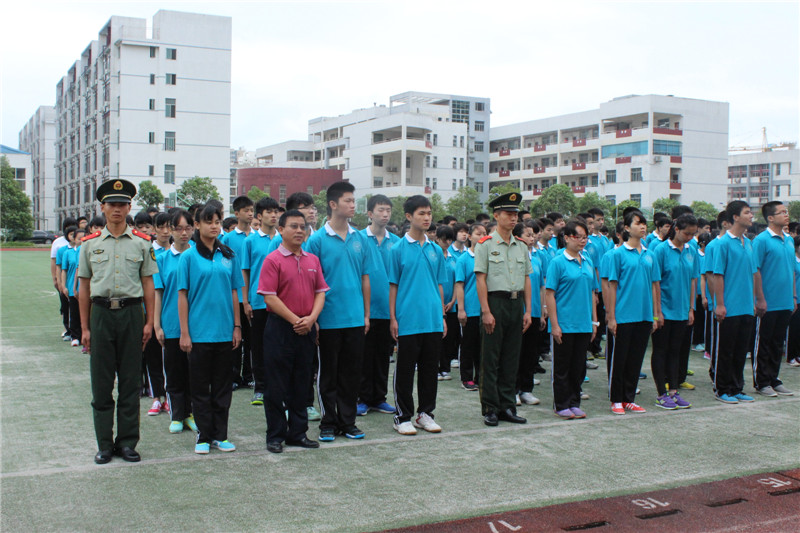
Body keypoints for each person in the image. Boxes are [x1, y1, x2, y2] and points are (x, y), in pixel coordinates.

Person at [77, 179, 157, 464]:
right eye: (112, 204)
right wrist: (84, 328)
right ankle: (104, 444)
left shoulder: (142, 243)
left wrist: (149, 322)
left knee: (130, 381)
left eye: (122, 204)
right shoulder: (89, 244)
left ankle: (127, 442)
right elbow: (83, 287)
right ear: (103, 207)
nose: (117, 209)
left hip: (131, 314)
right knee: (101, 383)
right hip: (100, 314)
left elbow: (148, 284)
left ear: (129, 207)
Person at [258, 210, 329, 453]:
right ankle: (275, 435)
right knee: (276, 386)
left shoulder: (312, 260)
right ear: (281, 230)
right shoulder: (273, 260)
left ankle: (298, 433)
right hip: (280, 328)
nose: (300, 231)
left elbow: (320, 292)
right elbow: (269, 296)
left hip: (306, 328)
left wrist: (311, 319)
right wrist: (296, 320)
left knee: (302, 383)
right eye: (293, 226)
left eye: (303, 226)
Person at [305, 181, 371, 442]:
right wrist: (314, 318)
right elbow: (311, 282)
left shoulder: (359, 239)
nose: (353, 205)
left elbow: (365, 278)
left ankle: (348, 422)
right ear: (333, 204)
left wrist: (365, 314)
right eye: (348, 200)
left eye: (354, 200)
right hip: (328, 318)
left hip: (355, 318)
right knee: (328, 374)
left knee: (351, 374)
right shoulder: (317, 240)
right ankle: (328, 422)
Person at [178, 202, 243, 454]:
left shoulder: (228, 255)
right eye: (208, 221)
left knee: (222, 387)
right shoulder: (188, 256)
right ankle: (203, 436)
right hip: (198, 334)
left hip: (225, 333)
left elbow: (234, 292)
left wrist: (237, 326)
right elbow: (182, 295)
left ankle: (220, 435)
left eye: (217, 221)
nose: (214, 226)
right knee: (200, 387)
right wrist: (185, 332)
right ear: (197, 225)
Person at [389, 195, 447, 435]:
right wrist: (393, 318)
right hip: (408, 319)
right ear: (409, 216)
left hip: (432, 319)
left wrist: (442, 316)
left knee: (429, 370)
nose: (426, 217)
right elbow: (393, 285)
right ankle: (402, 416)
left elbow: (439, 284)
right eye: (421, 213)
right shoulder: (397, 249)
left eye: (429, 213)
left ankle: (426, 414)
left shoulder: (436, 250)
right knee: (404, 370)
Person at [474, 192, 533, 427]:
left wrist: (528, 310)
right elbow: (481, 279)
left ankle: (507, 405)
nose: (513, 218)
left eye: (515, 214)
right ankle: (490, 407)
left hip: (516, 303)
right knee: (490, 358)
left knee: (511, 357)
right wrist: (486, 311)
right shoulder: (485, 245)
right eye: (508, 214)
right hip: (495, 302)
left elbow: (527, 278)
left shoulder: (521, 246)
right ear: (496, 216)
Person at [606, 210, 661, 415]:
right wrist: (611, 317)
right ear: (627, 228)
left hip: (644, 315)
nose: (643, 226)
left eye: (644, 223)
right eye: (638, 223)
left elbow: (654, 286)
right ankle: (616, 399)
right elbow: (612, 286)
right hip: (623, 315)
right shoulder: (617, 254)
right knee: (619, 359)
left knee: (636, 359)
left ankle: (629, 398)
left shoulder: (650, 255)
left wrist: (655, 315)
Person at [546, 220, 598, 419]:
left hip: (583, 323)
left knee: (578, 367)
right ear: (567, 238)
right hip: (564, 323)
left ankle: (574, 402)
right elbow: (550, 294)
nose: (582, 241)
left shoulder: (587, 261)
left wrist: (594, 321)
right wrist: (555, 324)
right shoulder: (558, 262)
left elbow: (592, 293)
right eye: (578, 237)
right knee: (562, 367)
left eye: (585, 237)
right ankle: (561, 404)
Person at [153, 209, 198, 434]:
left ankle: (190, 414)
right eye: (178, 228)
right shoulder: (162, 259)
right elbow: (158, 293)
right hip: (171, 324)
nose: (183, 233)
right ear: (171, 230)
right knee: (174, 371)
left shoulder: (198, 256)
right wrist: (157, 325)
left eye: (187, 228)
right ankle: (177, 415)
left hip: (197, 324)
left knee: (194, 372)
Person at [712, 201, 760, 404]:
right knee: (726, 350)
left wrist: (755, 300)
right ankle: (722, 389)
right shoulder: (722, 243)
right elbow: (717, 275)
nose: (751, 216)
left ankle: (736, 387)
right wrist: (720, 304)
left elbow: (753, 273)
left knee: (741, 350)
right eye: (747, 213)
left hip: (746, 306)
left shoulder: (748, 243)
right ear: (735, 217)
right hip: (729, 307)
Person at [651, 214, 698, 410]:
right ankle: (661, 394)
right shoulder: (661, 250)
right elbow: (655, 283)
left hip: (682, 310)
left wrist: (690, 308)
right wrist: (657, 312)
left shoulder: (691, 250)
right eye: (687, 233)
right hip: (664, 310)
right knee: (661, 350)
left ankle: (673, 391)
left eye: (693, 234)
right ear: (676, 229)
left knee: (675, 351)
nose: (689, 237)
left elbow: (693, 280)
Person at [357, 195, 399, 416]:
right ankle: (363, 398)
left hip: (388, 310)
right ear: (370, 213)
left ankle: (379, 398)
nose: (385, 214)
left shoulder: (397, 242)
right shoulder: (358, 239)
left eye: (388, 210)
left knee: (383, 356)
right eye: (381, 210)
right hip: (364, 309)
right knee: (363, 356)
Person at [751, 201, 795, 397]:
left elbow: (792, 270)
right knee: (764, 342)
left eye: (786, 212)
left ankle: (774, 379)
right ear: (770, 217)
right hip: (768, 302)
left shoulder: (789, 240)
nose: (786, 215)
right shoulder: (761, 240)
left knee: (778, 343)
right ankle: (761, 382)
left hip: (785, 301)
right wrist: (760, 299)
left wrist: (793, 296)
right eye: (782, 212)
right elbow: (755, 270)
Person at [241, 196, 281, 407]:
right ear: (259, 216)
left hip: (280, 302)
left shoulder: (283, 238)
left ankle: (277, 387)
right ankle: (260, 388)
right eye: (269, 212)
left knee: (278, 345)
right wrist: (246, 301)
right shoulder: (250, 241)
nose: (274, 215)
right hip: (258, 302)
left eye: (276, 212)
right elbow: (245, 272)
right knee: (258, 346)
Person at [221, 196, 255, 392]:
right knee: (235, 338)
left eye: (251, 210)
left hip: (252, 297)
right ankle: (233, 376)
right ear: (237, 213)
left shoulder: (256, 236)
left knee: (251, 340)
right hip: (234, 297)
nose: (250, 214)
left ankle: (249, 376)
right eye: (246, 210)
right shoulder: (228, 238)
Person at [514, 220, 545, 406]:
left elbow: (541, 287)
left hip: (534, 312)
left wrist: (541, 312)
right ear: (517, 237)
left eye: (533, 235)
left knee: (530, 354)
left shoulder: (537, 259)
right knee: (515, 353)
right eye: (528, 235)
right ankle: (513, 390)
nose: (532, 238)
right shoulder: (513, 257)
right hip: (517, 312)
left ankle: (526, 389)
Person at [455, 223, 488, 391]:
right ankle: (466, 378)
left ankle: (480, 377)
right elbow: (459, 285)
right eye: (478, 233)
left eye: (484, 233)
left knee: (483, 347)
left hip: (486, 310)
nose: (482, 236)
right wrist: (461, 309)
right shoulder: (463, 259)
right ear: (470, 237)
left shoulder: (489, 258)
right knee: (468, 345)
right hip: (470, 309)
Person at [436, 224, 460, 381]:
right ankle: (436, 368)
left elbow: (458, 282)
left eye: (449, 240)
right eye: (444, 239)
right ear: (437, 239)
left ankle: (445, 368)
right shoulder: (434, 257)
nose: (447, 243)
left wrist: (452, 301)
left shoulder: (454, 259)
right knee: (437, 338)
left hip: (451, 305)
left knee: (449, 337)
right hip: (436, 305)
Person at [52, 216, 77, 340]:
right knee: (65, 307)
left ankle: (76, 332)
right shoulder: (62, 248)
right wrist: (58, 281)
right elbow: (58, 266)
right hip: (66, 282)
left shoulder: (81, 247)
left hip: (76, 284)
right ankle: (67, 330)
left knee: (76, 309)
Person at [61, 226, 85, 349]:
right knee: (74, 313)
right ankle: (75, 336)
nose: (82, 241)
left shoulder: (85, 251)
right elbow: (64, 270)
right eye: (79, 238)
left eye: (84, 238)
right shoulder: (68, 253)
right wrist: (64, 286)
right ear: (74, 239)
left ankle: (84, 336)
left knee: (85, 314)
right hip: (72, 287)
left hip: (85, 289)